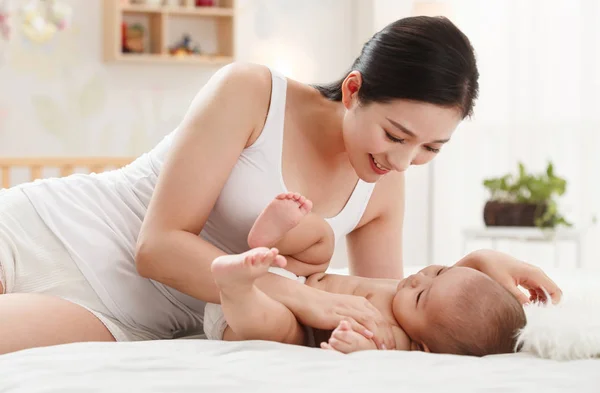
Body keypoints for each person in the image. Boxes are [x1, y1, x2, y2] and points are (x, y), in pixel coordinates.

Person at [0, 16, 561, 355]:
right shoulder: (251, 93)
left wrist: (478, 266)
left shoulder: (385, 183)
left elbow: (394, 309)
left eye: (431, 149)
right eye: (396, 133)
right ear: (352, 89)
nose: (405, 159)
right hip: (60, 232)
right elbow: (157, 248)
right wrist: (295, 292)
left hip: (136, 318)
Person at [205, 192, 527, 357]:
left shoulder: (398, 339)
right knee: (322, 242)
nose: (419, 279)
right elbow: (462, 292)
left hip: (261, 314)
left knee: (282, 330)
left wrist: (358, 347)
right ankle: (269, 237)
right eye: (438, 271)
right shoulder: (437, 300)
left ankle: (236, 288)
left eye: (420, 295)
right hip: (294, 275)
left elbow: (374, 353)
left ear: (424, 347)